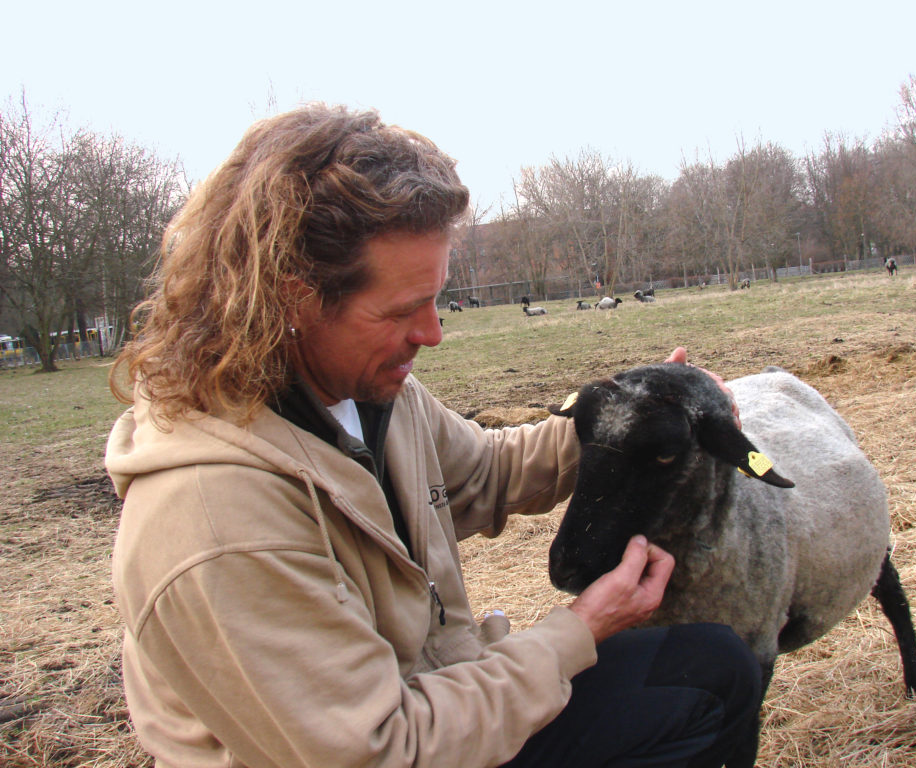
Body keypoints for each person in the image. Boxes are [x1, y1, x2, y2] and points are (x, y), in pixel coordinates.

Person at [107, 103, 761, 767]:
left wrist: (631, 416)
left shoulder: (360, 392)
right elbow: (381, 751)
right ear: (294, 298)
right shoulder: (215, 523)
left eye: (436, 299)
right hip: (399, 747)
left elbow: (486, 472)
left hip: (439, 700)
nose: (432, 334)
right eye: (402, 310)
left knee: (710, 670)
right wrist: (579, 630)